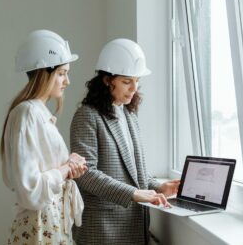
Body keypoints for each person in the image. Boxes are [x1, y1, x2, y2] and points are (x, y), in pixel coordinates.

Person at [70, 38, 180, 244]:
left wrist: (158, 188)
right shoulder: (87, 116)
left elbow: (135, 171)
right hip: (102, 229)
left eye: (137, 81)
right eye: (126, 81)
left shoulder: (128, 114)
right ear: (106, 80)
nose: (133, 88)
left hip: (133, 225)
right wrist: (134, 193)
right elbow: (86, 174)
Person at [1, 30, 88, 245]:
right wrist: (66, 169)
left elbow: (42, 170)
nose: (67, 81)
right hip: (40, 226)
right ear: (43, 73)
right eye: (61, 73)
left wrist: (67, 164)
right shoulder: (28, 113)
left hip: (51, 222)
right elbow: (30, 189)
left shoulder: (35, 112)